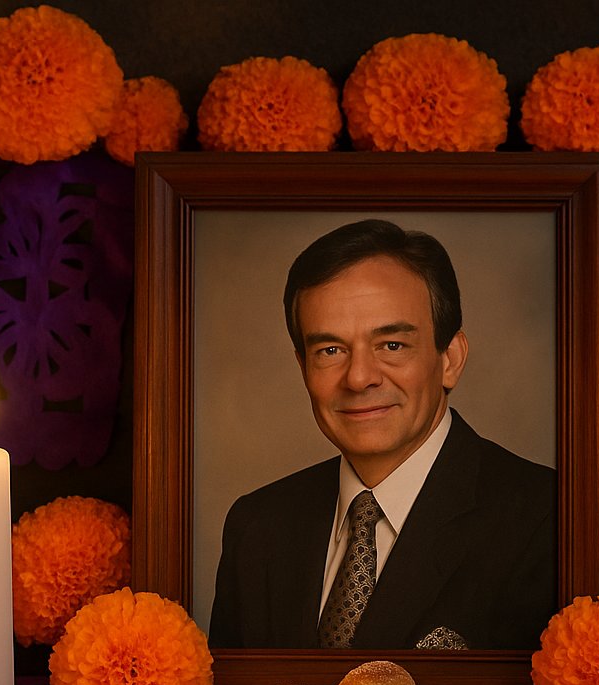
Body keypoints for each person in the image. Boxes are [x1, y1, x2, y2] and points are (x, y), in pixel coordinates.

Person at [208, 219, 556, 650]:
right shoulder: (256, 528)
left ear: (450, 358)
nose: (358, 378)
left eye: (391, 345)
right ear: (303, 368)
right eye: (330, 351)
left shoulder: (549, 519)